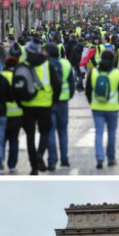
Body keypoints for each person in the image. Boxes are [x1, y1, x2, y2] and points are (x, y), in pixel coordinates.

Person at [17, 41, 62, 174]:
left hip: (27, 106)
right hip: (45, 105)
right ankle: (40, 155)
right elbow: (57, 84)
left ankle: (33, 167)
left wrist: (20, 103)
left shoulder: (21, 66)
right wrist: (54, 100)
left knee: (30, 136)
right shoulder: (47, 65)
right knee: (44, 133)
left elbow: (16, 87)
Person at [86, 49, 119, 170]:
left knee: (98, 133)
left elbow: (88, 90)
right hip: (113, 108)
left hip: (97, 107)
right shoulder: (117, 73)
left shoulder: (93, 72)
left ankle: (99, 158)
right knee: (112, 133)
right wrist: (118, 102)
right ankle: (111, 158)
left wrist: (92, 102)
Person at [46, 43, 75, 171]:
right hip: (63, 101)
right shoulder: (66, 64)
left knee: (50, 131)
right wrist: (68, 96)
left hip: (48, 101)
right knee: (63, 131)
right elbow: (71, 84)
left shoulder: (43, 65)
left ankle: (52, 161)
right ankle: (64, 159)